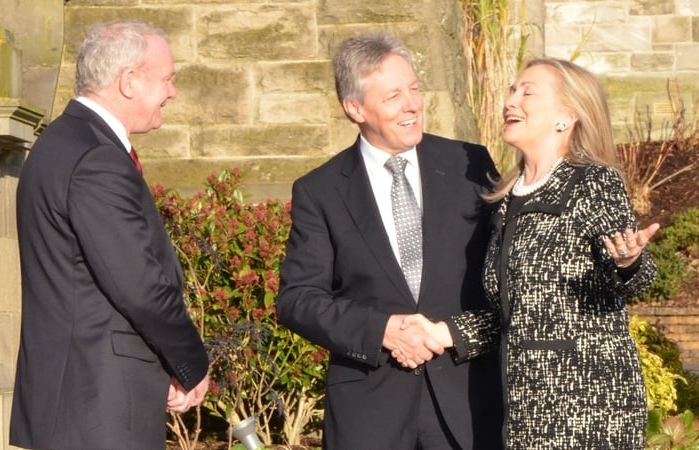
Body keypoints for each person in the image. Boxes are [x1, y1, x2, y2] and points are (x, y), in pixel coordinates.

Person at [396, 58, 660, 449]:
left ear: (566, 117)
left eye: (528, 92)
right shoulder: (505, 198)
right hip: (524, 407)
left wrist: (628, 261)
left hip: (589, 403)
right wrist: (442, 333)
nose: (511, 101)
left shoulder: (593, 182)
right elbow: (511, 313)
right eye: (512, 90)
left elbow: (631, 276)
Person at [276, 30, 502, 449]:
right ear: (355, 108)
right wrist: (383, 330)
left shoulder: (469, 164)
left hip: (468, 400)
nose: (412, 104)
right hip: (370, 409)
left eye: (414, 89)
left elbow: (507, 276)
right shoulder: (320, 190)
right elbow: (298, 299)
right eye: (393, 95)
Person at [9, 20, 210, 450]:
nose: (172, 93)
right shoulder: (96, 158)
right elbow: (139, 284)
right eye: (167, 80)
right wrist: (191, 361)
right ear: (129, 82)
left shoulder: (63, 144)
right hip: (98, 406)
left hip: (77, 405)